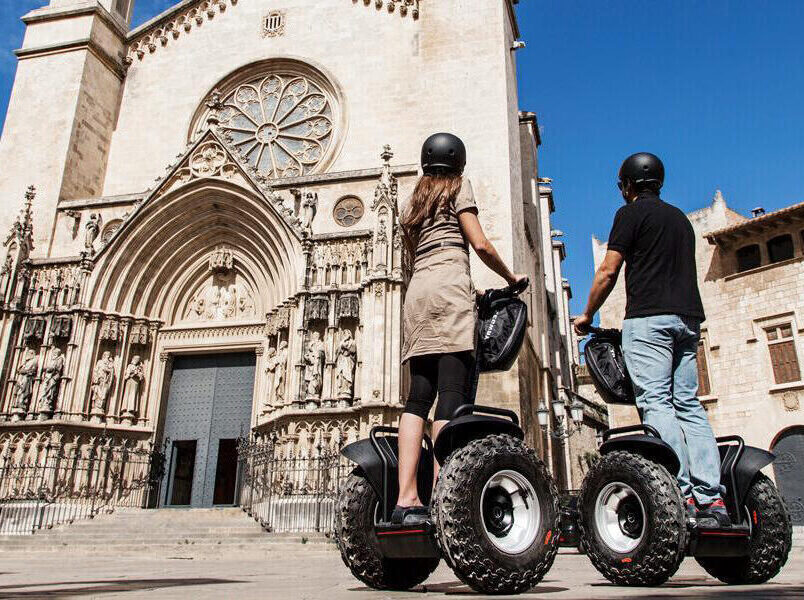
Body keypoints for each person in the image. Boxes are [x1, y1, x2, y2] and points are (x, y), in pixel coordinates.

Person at [574, 152, 729, 527]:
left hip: (649, 319)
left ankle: (680, 491)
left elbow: (608, 270)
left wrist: (588, 314)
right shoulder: (679, 220)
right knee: (689, 404)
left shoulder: (629, 215)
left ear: (627, 186)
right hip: (689, 319)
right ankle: (712, 498)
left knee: (656, 401)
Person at [393, 132, 526, 524]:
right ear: (458, 162)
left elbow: (425, 254)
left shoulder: (412, 201)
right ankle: (442, 493)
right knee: (451, 393)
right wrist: (510, 276)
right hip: (451, 291)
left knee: (418, 397)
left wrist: (471, 288)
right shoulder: (457, 186)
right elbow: (479, 244)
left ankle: (406, 497)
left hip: (418, 294)